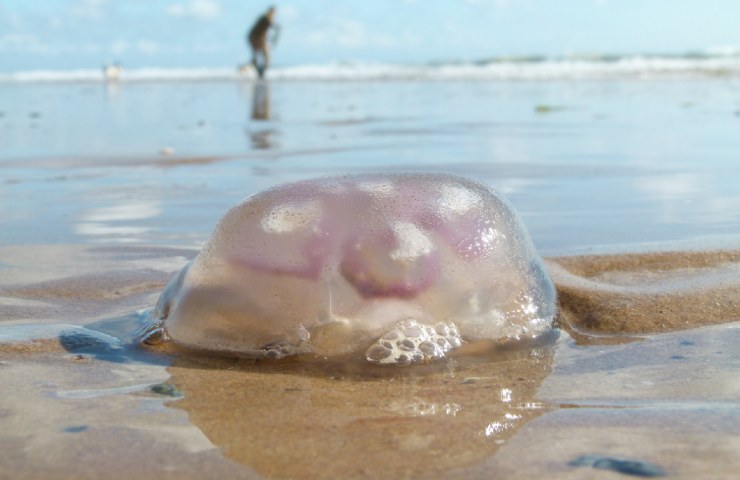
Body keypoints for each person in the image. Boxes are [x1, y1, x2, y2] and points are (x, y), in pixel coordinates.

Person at [247, 6, 279, 79]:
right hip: (256, 38)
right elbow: (270, 23)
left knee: (258, 55)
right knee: (265, 55)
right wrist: (277, 27)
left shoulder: (264, 17)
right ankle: (259, 72)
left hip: (256, 37)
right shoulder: (266, 17)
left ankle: (259, 72)